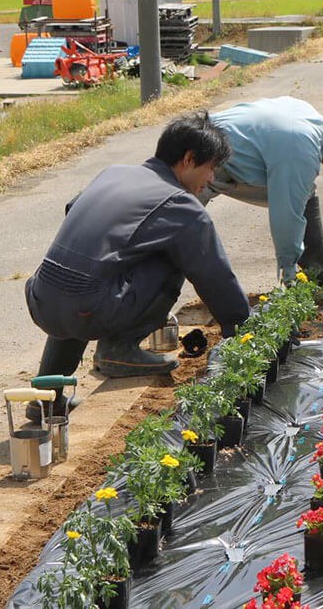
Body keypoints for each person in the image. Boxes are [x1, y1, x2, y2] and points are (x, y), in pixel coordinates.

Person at [23, 112, 251, 420]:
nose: (211, 178)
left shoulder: (113, 173)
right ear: (188, 159)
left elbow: (72, 208)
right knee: (175, 255)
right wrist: (241, 328)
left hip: (42, 298)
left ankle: (46, 397)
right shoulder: (180, 205)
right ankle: (119, 350)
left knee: (86, 278)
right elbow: (214, 275)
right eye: (211, 168)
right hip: (88, 309)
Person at [200, 96, 323, 289]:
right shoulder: (303, 150)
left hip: (215, 145)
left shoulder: (309, 118)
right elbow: (287, 215)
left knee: (305, 191)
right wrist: (289, 271)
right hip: (201, 156)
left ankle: (318, 269)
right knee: (183, 230)